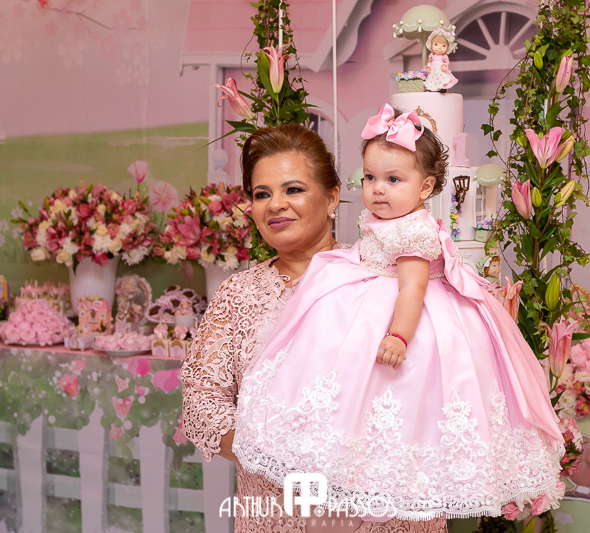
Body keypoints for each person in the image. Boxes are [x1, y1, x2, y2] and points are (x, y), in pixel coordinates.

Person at [232, 104, 565, 523]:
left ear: (425, 187)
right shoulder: (383, 218)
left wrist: (399, 335)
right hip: (369, 285)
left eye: (393, 180)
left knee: (400, 387)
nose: (377, 190)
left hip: (402, 308)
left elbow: (412, 288)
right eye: (370, 178)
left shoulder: (413, 229)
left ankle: (383, 469)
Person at [182, 124, 448, 532]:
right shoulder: (238, 295)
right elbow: (202, 405)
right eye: (261, 194)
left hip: (389, 513)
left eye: (293, 189)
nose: (275, 205)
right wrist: (281, 455)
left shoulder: (386, 278)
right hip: (276, 512)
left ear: (332, 197)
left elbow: (440, 384)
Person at [423, 26, 458, 92]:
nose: (439, 48)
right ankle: (432, 87)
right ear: (431, 45)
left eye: (443, 46)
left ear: (447, 47)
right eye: (436, 44)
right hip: (433, 70)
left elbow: (447, 62)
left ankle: (442, 87)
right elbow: (430, 62)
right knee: (433, 79)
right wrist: (429, 67)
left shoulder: (444, 56)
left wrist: (445, 65)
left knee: (441, 78)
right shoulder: (432, 55)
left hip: (440, 70)